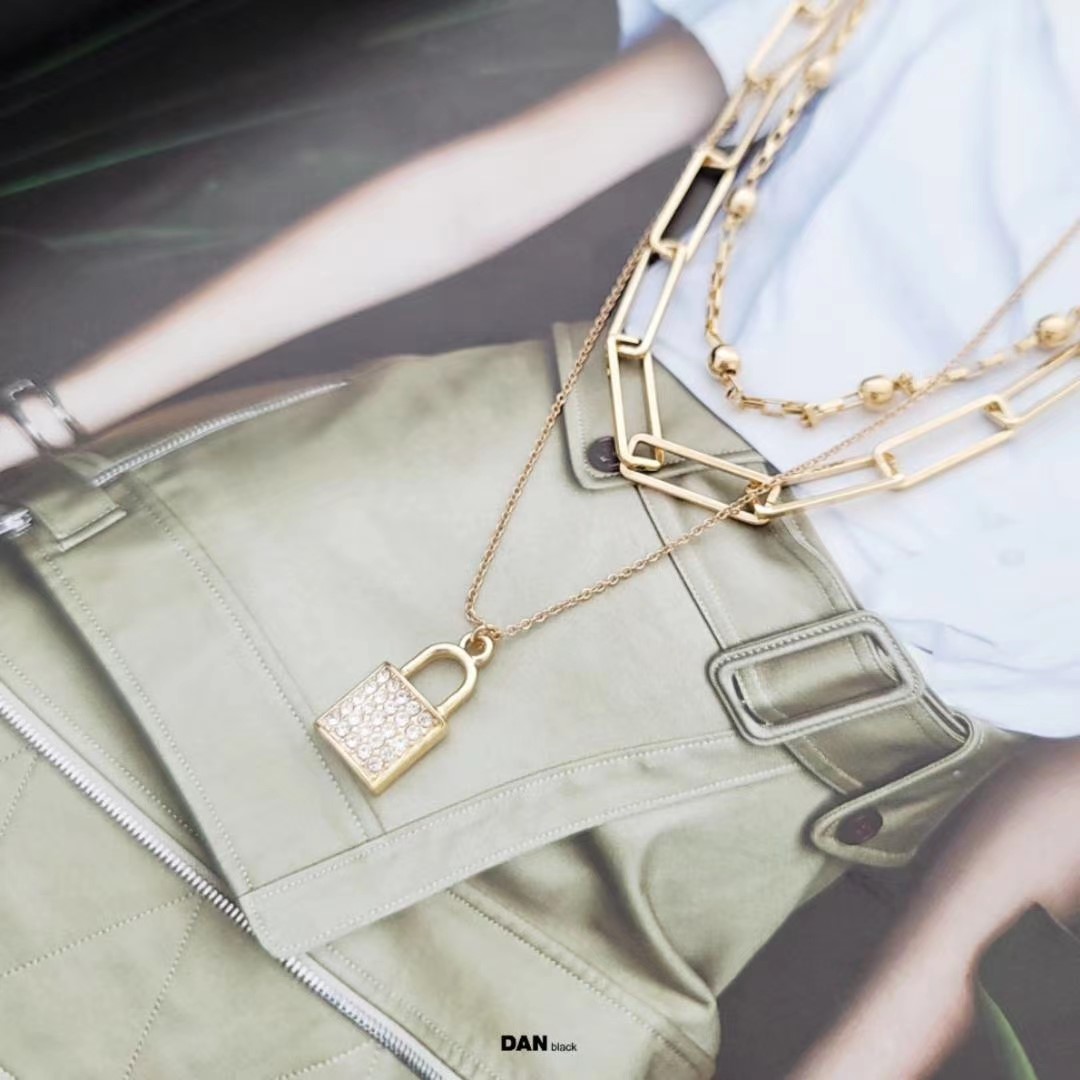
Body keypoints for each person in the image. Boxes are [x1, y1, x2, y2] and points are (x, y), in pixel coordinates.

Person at [1, 1, 1077, 1077]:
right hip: (333, 552)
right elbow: (488, 190)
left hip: (665, 870)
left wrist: (862, 1060)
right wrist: (38, 424)